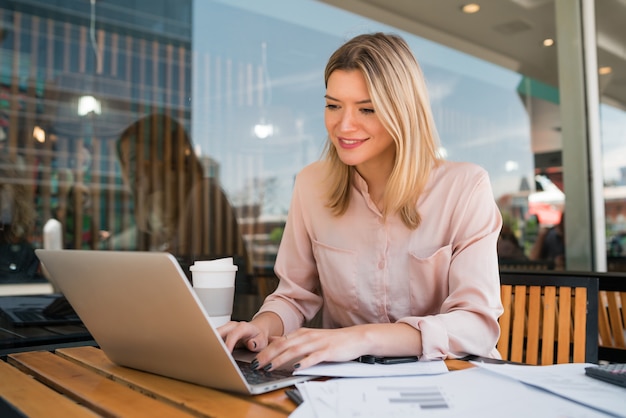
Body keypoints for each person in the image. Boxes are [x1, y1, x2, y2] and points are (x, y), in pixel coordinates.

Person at [219, 33, 503, 371]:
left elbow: (476, 325)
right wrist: (262, 327)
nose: (344, 125)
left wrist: (361, 337)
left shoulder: (464, 187)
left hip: (450, 378)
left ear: (403, 112)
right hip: (340, 385)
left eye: (366, 109)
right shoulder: (312, 185)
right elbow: (294, 296)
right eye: (333, 105)